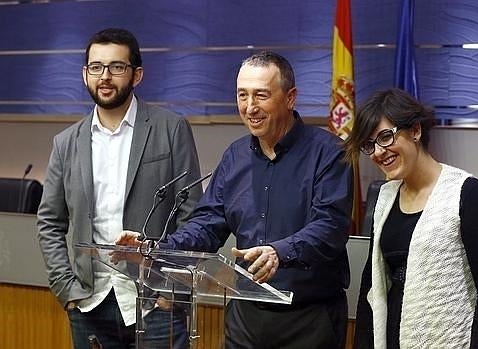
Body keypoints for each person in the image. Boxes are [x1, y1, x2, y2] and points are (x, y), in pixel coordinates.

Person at [118, 51, 353, 348]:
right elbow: (206, 225)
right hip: (245, 316)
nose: (250, 107)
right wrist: (155, 248)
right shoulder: (235, 156)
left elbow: (331, 226)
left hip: (308, 318)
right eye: (242, 95)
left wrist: (279, 252)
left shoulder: (329, 152)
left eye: (261, 95)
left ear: (290, 97)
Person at [37, 28, 202, 349]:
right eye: (96, 67)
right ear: (85, 74)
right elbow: (49, 223)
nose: (105, 76)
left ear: (136, 75)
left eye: (117, 67)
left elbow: (192, 213)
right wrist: (66, 289)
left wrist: (173, 289)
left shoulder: (171, 128)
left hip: (155, 303)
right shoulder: (66, 143)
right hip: (89, 303)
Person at [344, 88, 478, 348]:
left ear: (415, 131)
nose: (378, 152)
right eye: (369, 145)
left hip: (449, 338)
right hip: (391, 332)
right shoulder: (385, 196)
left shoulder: (467, 192)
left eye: (385, 137)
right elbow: (369, 286)